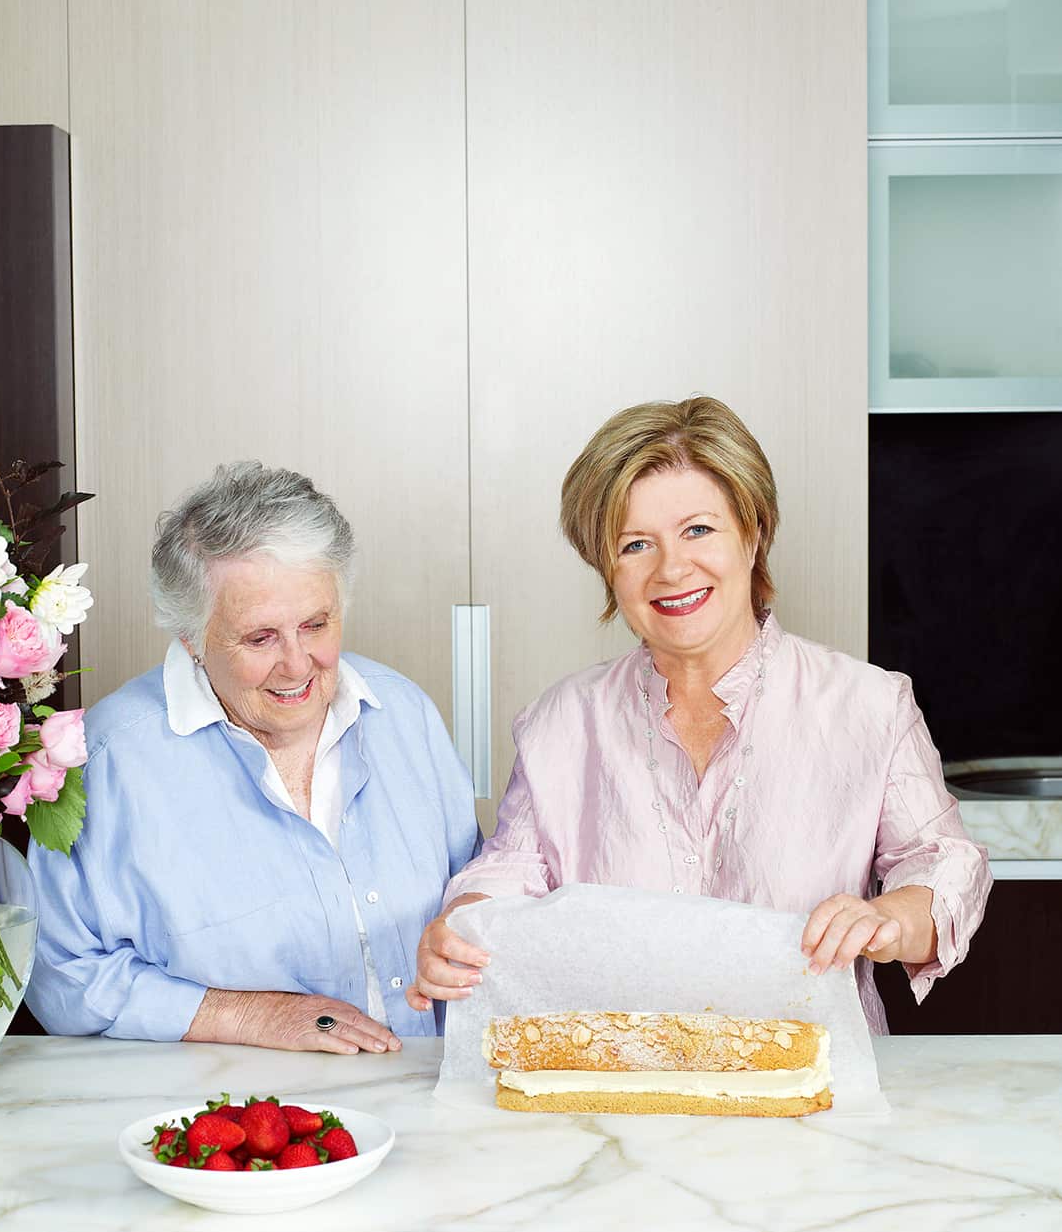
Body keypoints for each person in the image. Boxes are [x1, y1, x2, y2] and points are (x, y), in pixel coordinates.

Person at [409, 398, 990, 1035]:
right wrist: (462, 922)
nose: (672, 568)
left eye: (698, 530)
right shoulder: (562, 720)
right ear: (609, 570)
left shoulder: (868, 706)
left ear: (754, 531)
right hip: (621, 1096)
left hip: (812, 1094)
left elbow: (942, 861)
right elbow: (510, 870)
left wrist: (895, 918)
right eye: (635, 545)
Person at [27, 461, 478, 1051]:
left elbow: (471, 889)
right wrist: (246, 1017)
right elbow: (59, 975)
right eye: (260, 638)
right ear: (191, 637)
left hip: (429, 1092)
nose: (297, 663)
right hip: (232, 1118)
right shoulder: (109, 758)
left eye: (315, 625)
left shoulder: (403, 713)